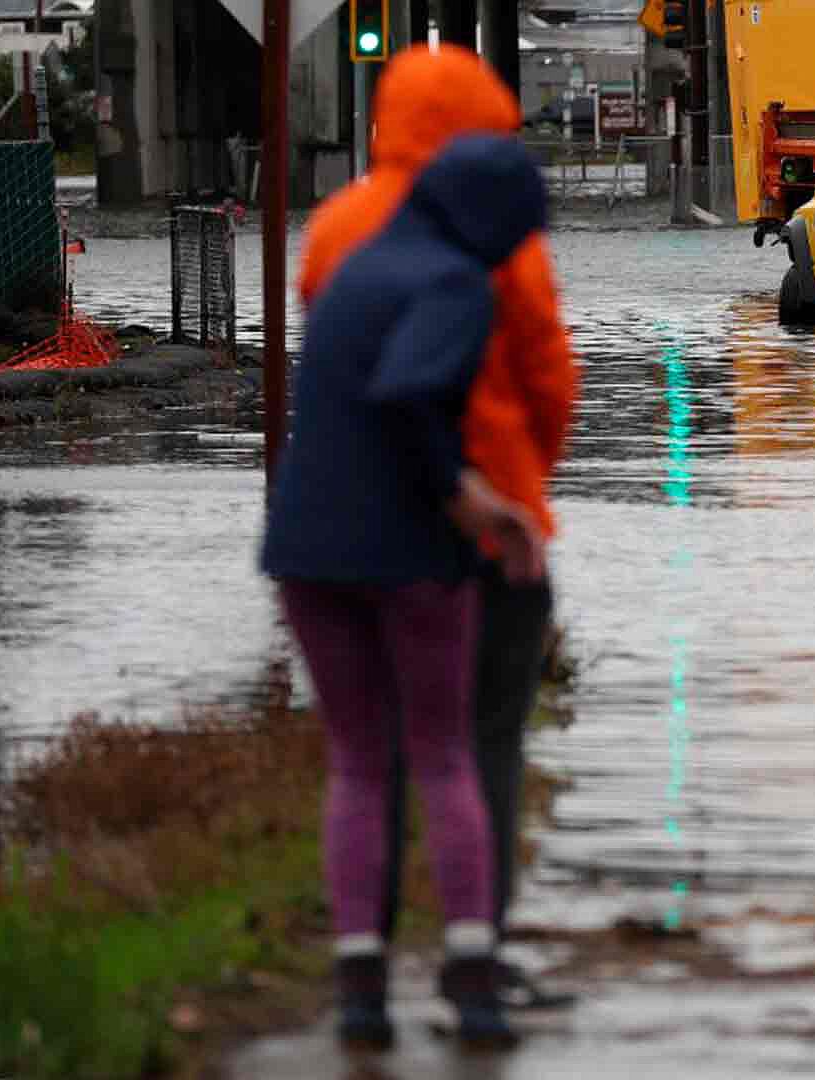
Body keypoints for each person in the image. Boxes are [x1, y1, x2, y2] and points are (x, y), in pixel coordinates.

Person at [299, 44, 578, 1011]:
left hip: (354, 519)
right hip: (483, 519)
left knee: (365, 756)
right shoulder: (499, 241)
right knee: (482, 743)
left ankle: (364, 967)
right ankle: (479, 958)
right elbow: (549, 379)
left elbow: (330, 373)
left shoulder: (336, 229)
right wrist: (523, 485)